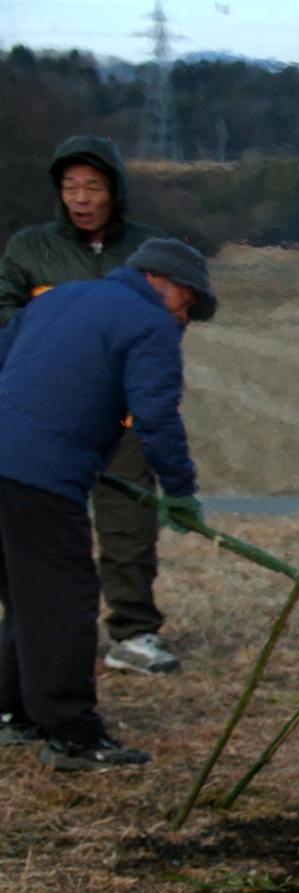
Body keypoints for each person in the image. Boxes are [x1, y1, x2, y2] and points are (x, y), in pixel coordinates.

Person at [0, 238, 216, 770]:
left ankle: (13, 712)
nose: (186, 319)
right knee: (64, 598)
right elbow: (156, 419)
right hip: (38, 475)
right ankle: (72, 734)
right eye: (189, 307)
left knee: (26, 596)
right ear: (169, 287)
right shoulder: (151, 325)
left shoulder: (58, 298)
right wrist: (181, 491)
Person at [0, 135, 180, 675]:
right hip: (46, 418)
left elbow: (170, 318)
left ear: (115, 192)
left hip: (120, 413)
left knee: (129, 519)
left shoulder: (148, 251)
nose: (80, 197)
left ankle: (134, 631)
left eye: (93, 187)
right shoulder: (29, 248)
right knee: (42, 527)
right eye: (70, 186)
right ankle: (29, 631)